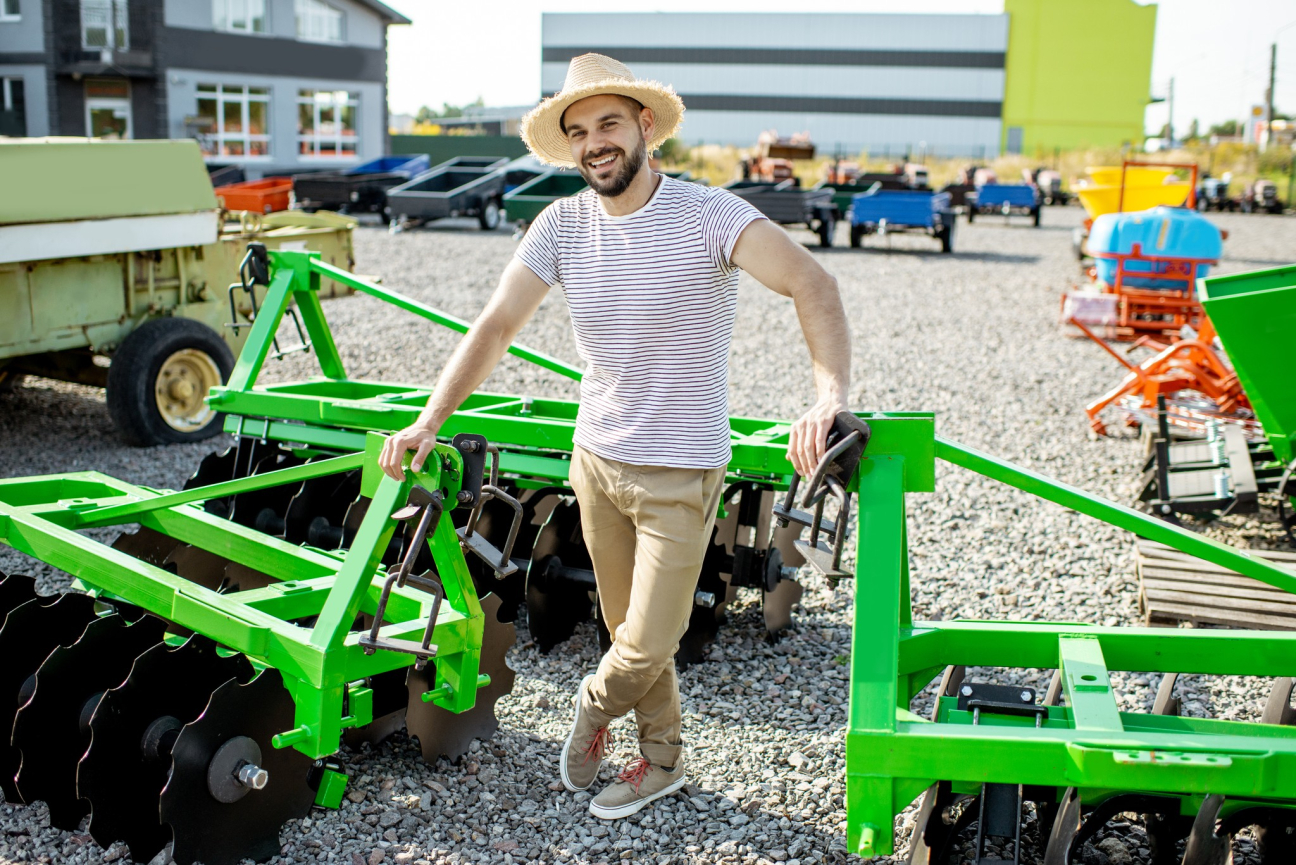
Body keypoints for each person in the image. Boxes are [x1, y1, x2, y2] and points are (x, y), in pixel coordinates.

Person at [379, 53, 850, 821]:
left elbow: (812, 284)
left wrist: (827, 398)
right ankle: (661, 762)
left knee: (640, 643)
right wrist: (428, 420)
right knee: (633, 629)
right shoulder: (561, 225)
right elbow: (496, 324)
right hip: (596, 465)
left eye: (608, 123)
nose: (594, 141)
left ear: (644, 127)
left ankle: (592, 709)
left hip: (681, 472)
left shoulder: (709, 215)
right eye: (578, 131)